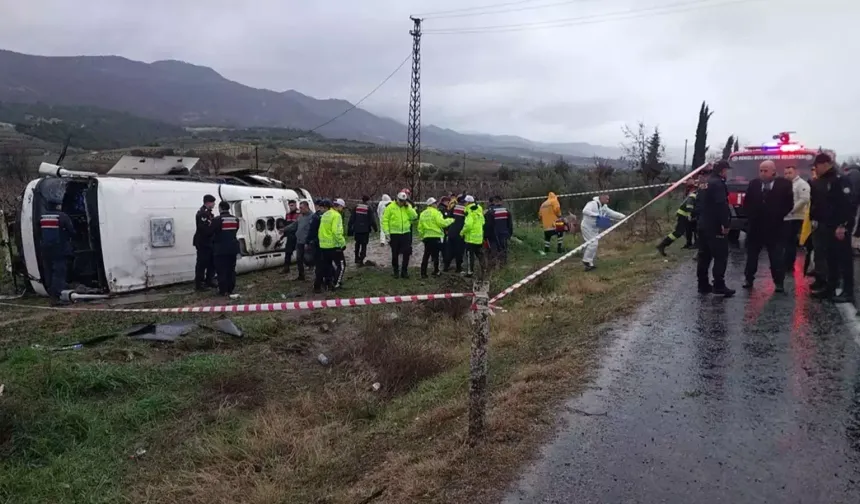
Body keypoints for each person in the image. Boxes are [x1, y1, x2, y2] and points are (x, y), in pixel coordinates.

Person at [741, 160, 794, 291]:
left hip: (775, 228)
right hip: (755, 227)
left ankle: (779, 283)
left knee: (776, 258)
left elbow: (789, 204)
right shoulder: (754, 184)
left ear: (773, 171)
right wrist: (751, 215)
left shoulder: (784, 184)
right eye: (761, 171)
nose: (763, 174)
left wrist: (777, 215)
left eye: (766, 171)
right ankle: (749, 279)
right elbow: (747, 202)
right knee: (752, 256)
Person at [809, 153, 855, 302]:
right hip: (825, 226)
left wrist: (843, 225)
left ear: (826, 164)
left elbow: (848, 204)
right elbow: (818, 203)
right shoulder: (821, 181)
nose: (816, 169)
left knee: (844, 260)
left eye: (817, 166)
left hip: (839, 227)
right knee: (831, 259)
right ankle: (830, 288)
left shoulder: (840, 180)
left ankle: (848, 292)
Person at [696, 160, 735, 297]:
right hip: (715, 226)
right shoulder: (718, 184)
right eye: (727, 170)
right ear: (722, 170)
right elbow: (721, 205)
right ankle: (719, 285)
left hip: (702, 224)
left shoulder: (704, 183)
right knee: (720, 256)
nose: (727, 173)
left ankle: (703, 284)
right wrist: (725, 224)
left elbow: (698, 203)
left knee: (704, 256)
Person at [39, 202, 75, 303]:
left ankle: (51, 293)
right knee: (59, 271)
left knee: (49, 271)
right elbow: (71, 231)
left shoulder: (42, 217)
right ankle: (57, 296)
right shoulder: (63, 216)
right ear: (57, 207)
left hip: (45, 250)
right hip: (59, 249)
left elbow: (38, 232)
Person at [580, 194, 625, 272]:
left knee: (593, 244)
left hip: (594, 228)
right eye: (606, 199)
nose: (608, 200)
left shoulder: (604, 207)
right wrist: (597, 215)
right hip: (587, 226)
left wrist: (623, 217)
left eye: (608, 199)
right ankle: (586, 261)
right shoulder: (592, 203)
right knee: (593, 244)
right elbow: (585, 211)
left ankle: (589, 264)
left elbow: (612, 213)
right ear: (601, 197)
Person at [382, 191, 418, 279]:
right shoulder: (390, 207)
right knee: (395, 254)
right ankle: (395, 271)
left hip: (405, 233)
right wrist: (387, 233)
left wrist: (409, 207)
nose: (402, 202)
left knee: (407, 253)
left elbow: (414, 216)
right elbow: (385, 220)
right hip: (394, 234)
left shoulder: (407, 207)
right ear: (397, 199)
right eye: (401, 201)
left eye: (404, 201)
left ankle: (404, 271)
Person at [783, 165, 811, 277]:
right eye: (785, 173)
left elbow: (804, 199)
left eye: (790, 172)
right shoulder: (788, 184)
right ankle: (786, 263)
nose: (787, 175)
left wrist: (792, 210)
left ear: (796, 172)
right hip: (787, 216)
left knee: (790, 242)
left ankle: (789, 265)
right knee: (787, 242)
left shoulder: (801, 184)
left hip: (796, 217)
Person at [656, 181, 698, 256]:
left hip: (685, 215)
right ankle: (662, 245)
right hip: (684, 215)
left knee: (692, 229)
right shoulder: (693, 195)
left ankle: (692, 244)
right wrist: (690, 215)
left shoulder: (693, 194)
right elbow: (689, 206)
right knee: (679, 232)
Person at [418, 197, 454, 278]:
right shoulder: (436, 213)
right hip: (436, 236)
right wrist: (451, 220)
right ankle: (436, 271)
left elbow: (420, 227)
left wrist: (422, 236)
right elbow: (442, 223)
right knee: (436, 255)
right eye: (435, 203)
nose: (436, 205)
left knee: (426, 255)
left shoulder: (423, 214)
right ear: (432, 204)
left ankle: (423, 273)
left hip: (427, 237)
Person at [316, 198, 346, 292]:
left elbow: (320, 230)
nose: (343, 210)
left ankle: (328, 284)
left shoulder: (325, 215)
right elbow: (336, 232)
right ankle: (336, 284)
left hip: (324, 246)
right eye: (343, 208)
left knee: (328, 265)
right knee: (341, 265)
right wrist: (342, 243)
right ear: (340, 206)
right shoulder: (336, 216)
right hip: (334, 245)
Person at [212, 201, 240, 296]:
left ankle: (223, 290)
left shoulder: (217, 219)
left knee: (221, 270)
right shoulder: (235, 219)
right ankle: (230, 288)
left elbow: (213, 232)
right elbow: (235, 231)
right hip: (233, 248)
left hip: (220, 249)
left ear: (220, 208)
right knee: (231, 269)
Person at [193, 194, 217, 291]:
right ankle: (200, 283)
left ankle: (209, 280)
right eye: (213, 202)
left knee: (211, 262)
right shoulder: (202, 213)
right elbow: (203, 229)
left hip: (209, 242)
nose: (214, 204)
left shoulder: (208, 213)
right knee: (202, 263)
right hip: (203, 242)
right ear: (208, 202)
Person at [347, 195, 378, 266]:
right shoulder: (368, 208)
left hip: (357, 229)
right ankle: (361, 259)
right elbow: (372, 220)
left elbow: (352, 218)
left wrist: (349, 227)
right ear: (368, 200)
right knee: (364, 245)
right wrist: (375, 228)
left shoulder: (356, 207)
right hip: (365, 230)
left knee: (357, 243)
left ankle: (356, 257)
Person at [485, 195, 514, 267]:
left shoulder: (490, 212)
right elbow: (510, 225)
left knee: (493, 252)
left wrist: (485, 236)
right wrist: (509, 234)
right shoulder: (506, 211)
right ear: (501, 201)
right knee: (503, 252)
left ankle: (493, 268)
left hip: (493, 236)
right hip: (504, 234)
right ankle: (503, 267)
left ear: (494, 201)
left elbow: (487, 225)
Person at [461, 197, 486, 278]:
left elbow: (468, 225)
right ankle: (484, 270)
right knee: (480, 255)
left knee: (470, 256)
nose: (464, 204)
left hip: (470, 238)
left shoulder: (469, 211)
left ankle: (470, 272)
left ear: (468, 203)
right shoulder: (479, 210)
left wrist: (462, 232)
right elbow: (483, 222)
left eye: (465, 202)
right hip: (479, 237)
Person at [443, 196, 468, 273]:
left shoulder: (453, 208)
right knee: (459, 251)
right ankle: (458, 268)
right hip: (460, 233)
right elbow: (467, 222)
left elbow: (448, 219)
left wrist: (447, 229)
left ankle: (446, 267)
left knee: (450, 250)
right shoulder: (466, 209)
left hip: (451, 232)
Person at [308, 199, 328, 286]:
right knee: (325, 263)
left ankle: (318, 284)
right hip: (325, 243)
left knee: (319, 264)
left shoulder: (316, 217)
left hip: (317, 243)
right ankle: (325, 281)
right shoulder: (327, 216)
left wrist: (309, 241)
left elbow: (312, 231)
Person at [293, 200, 314, 281]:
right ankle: (301, 275)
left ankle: (313, 269)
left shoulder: (312, 217)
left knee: (308, 259)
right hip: (299, 241)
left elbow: (312, 230)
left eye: (301, 208)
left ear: (306, 207)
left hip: (307, 242)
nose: (300, 209)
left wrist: (309, 241)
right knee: (299, 258)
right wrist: (285, 229)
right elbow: (295, 225)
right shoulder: (301, 217)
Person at [281, 200, 300, 275]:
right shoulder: (288, 215)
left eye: (292, 205)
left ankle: (302, 268)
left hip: (297, 235)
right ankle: (286, 268)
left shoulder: (299, 214)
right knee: (288, 252)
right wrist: (284, 234)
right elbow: (286, 225)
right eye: (290, 205)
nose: (291, 207)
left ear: (295, 205)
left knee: (300, 253)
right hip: (290, 236)